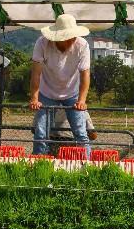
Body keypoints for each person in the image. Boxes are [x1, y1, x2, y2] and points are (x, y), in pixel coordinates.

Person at [29, 14, 91, 156]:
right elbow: (36, 73)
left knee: (81, 132)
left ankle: (87, 163)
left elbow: (85, 75)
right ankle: (38, 162)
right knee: (41, 132)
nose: (72, 40)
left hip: (72, 92)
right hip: (47, 91)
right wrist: (34, 98)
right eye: (68, 38)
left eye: (73, 37)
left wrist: (82, 100)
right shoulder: (42, 43)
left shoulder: (82, 45)